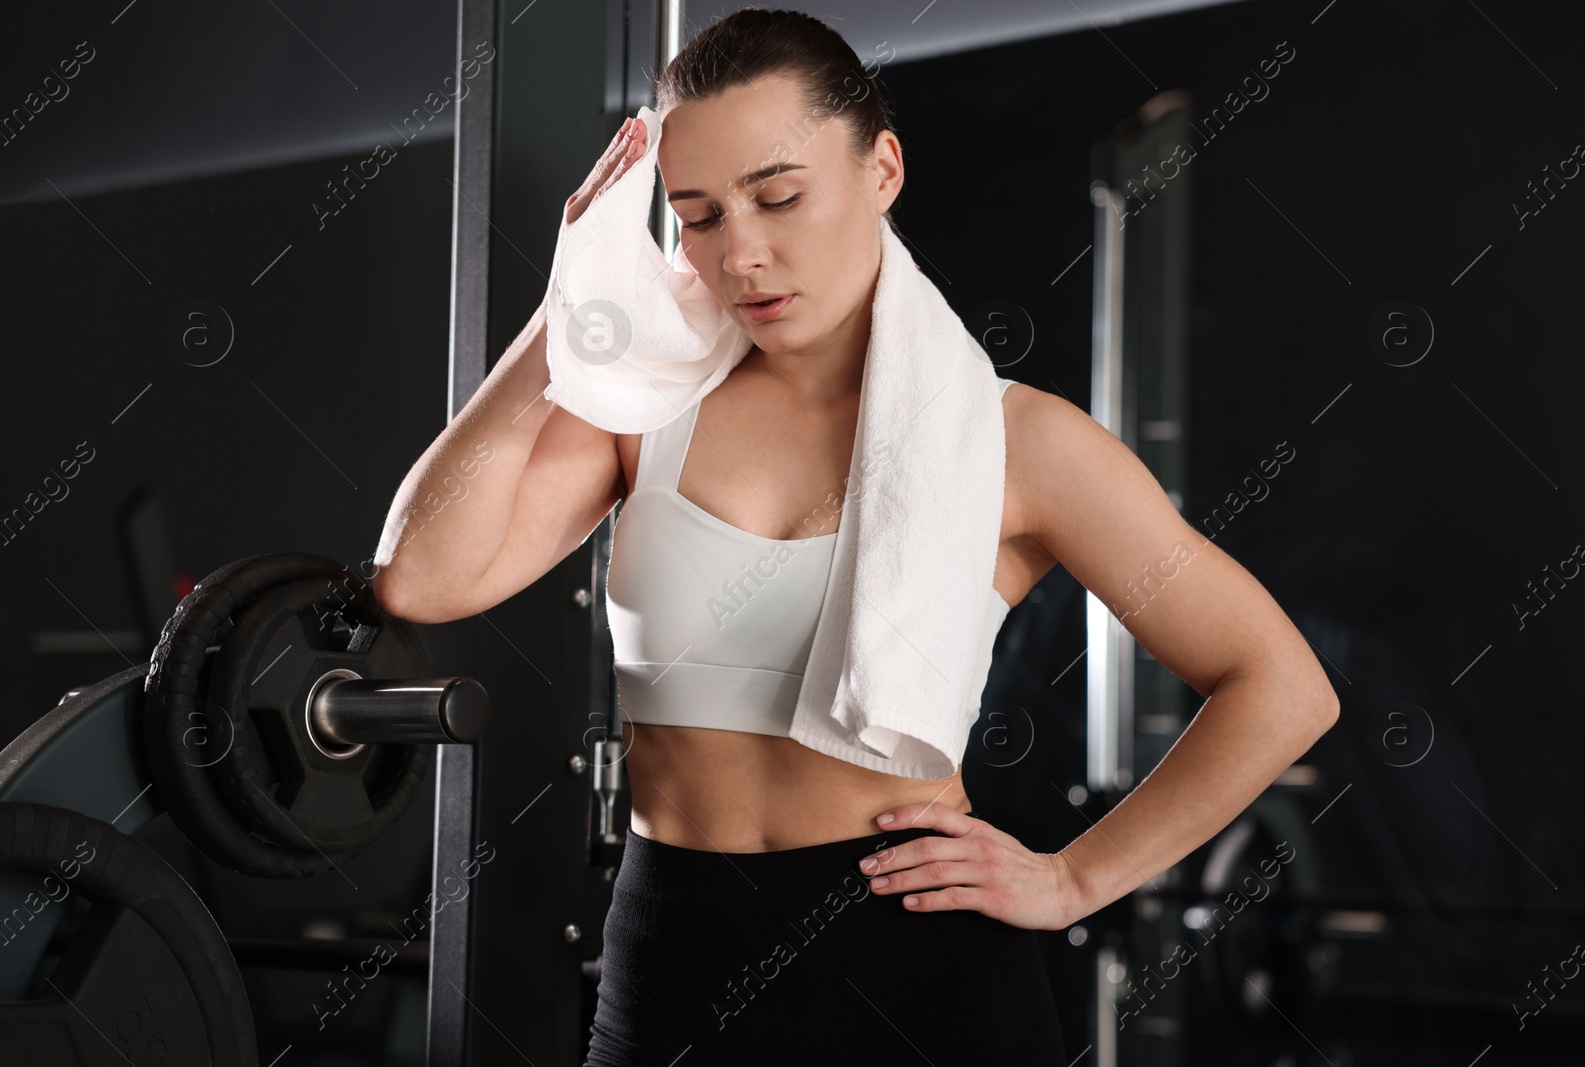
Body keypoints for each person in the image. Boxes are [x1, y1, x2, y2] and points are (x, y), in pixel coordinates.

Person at [369, 8, 1339, 1065]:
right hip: (673, 949)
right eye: (695, 216)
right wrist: (576, 310)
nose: (741, 251)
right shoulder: (643, 405)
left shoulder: (1019, 443)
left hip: (919, 969)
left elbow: (1280, 684)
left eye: (777, 195)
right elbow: (421, 578)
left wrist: (1075, 876)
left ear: (881, 169)